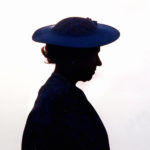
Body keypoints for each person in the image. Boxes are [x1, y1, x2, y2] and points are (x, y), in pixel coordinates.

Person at [21, 17, 120, 150]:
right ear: (75, 56)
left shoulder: (58, 95)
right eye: (94, 54)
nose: (98, 62)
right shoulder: (62, 99)